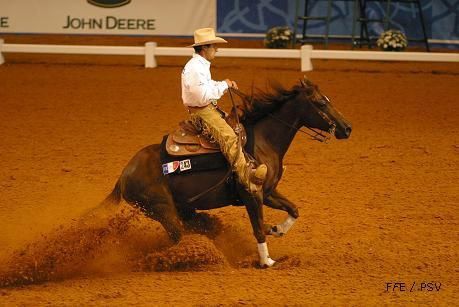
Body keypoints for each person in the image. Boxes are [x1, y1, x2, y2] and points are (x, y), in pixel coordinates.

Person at [181, 27, 267, 194]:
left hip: (206, 108)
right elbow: (203, 96)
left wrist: (224, 83)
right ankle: (248, 180)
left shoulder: (199, 65)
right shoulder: (195, 68)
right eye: (214, 46)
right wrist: (223, 86)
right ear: (204, 48)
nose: (216, 49)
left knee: (235, 125)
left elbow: (206, 86)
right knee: (229, 137)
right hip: (202, 111)